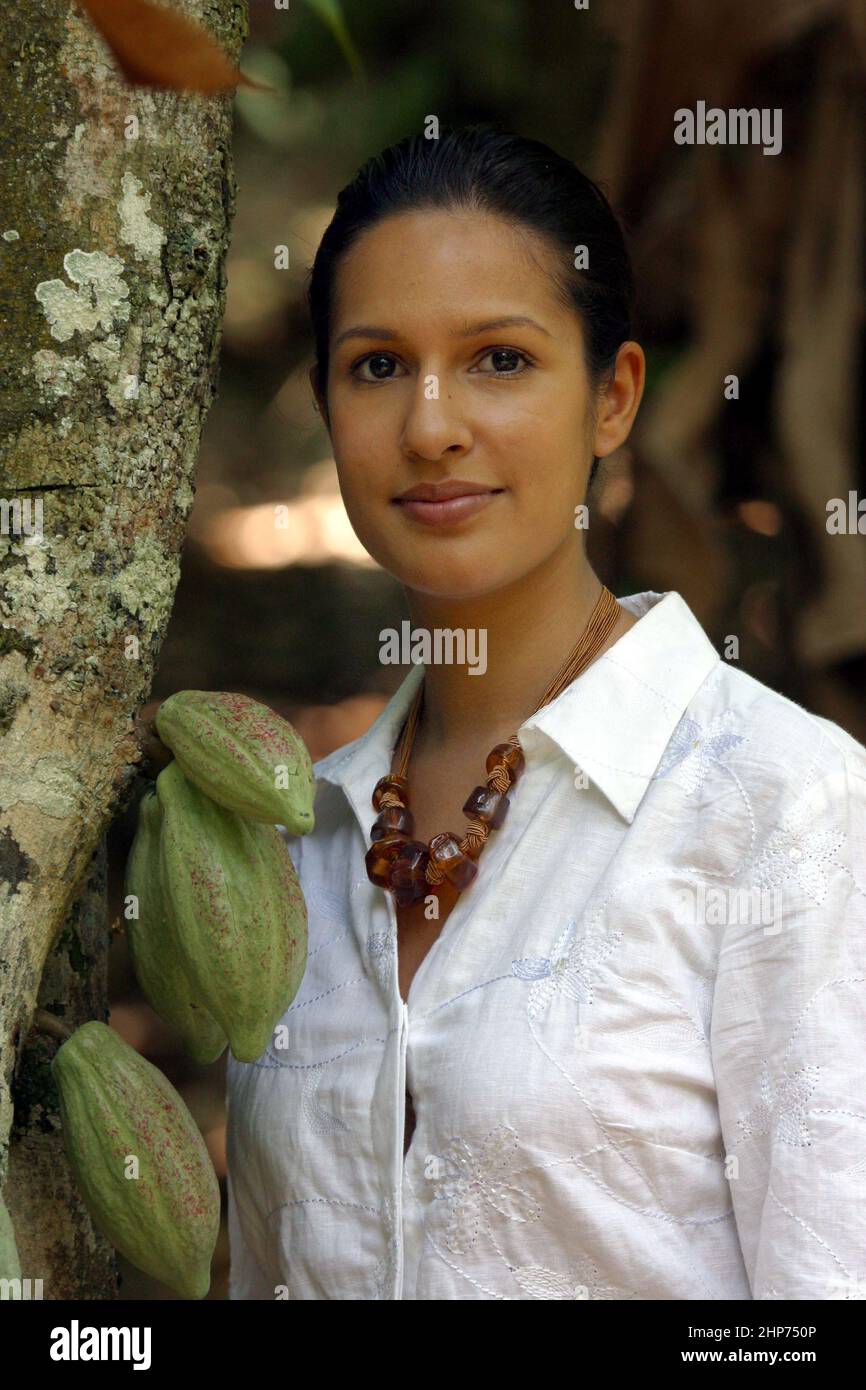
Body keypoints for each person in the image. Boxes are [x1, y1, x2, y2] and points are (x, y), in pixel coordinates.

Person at [225, 124, 866, 1300]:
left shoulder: (783, 803)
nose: (430, 426)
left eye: (499, 360)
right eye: (376, 366)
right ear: (324, 401)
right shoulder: (294, 843)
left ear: (613, 397)